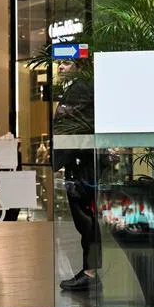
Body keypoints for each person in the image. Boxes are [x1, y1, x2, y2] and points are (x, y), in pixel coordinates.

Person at [53, 58, 102, 292]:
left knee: (86, 220)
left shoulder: (82, 87)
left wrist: (63, 111)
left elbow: (77, 122)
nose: (60, 67)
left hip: (82, 161)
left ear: (79, 66)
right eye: (59, 63)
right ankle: (89, 271)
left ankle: (90, 273)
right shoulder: (78, 87)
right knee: (84, 221)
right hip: (79, 159)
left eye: (66, 63)